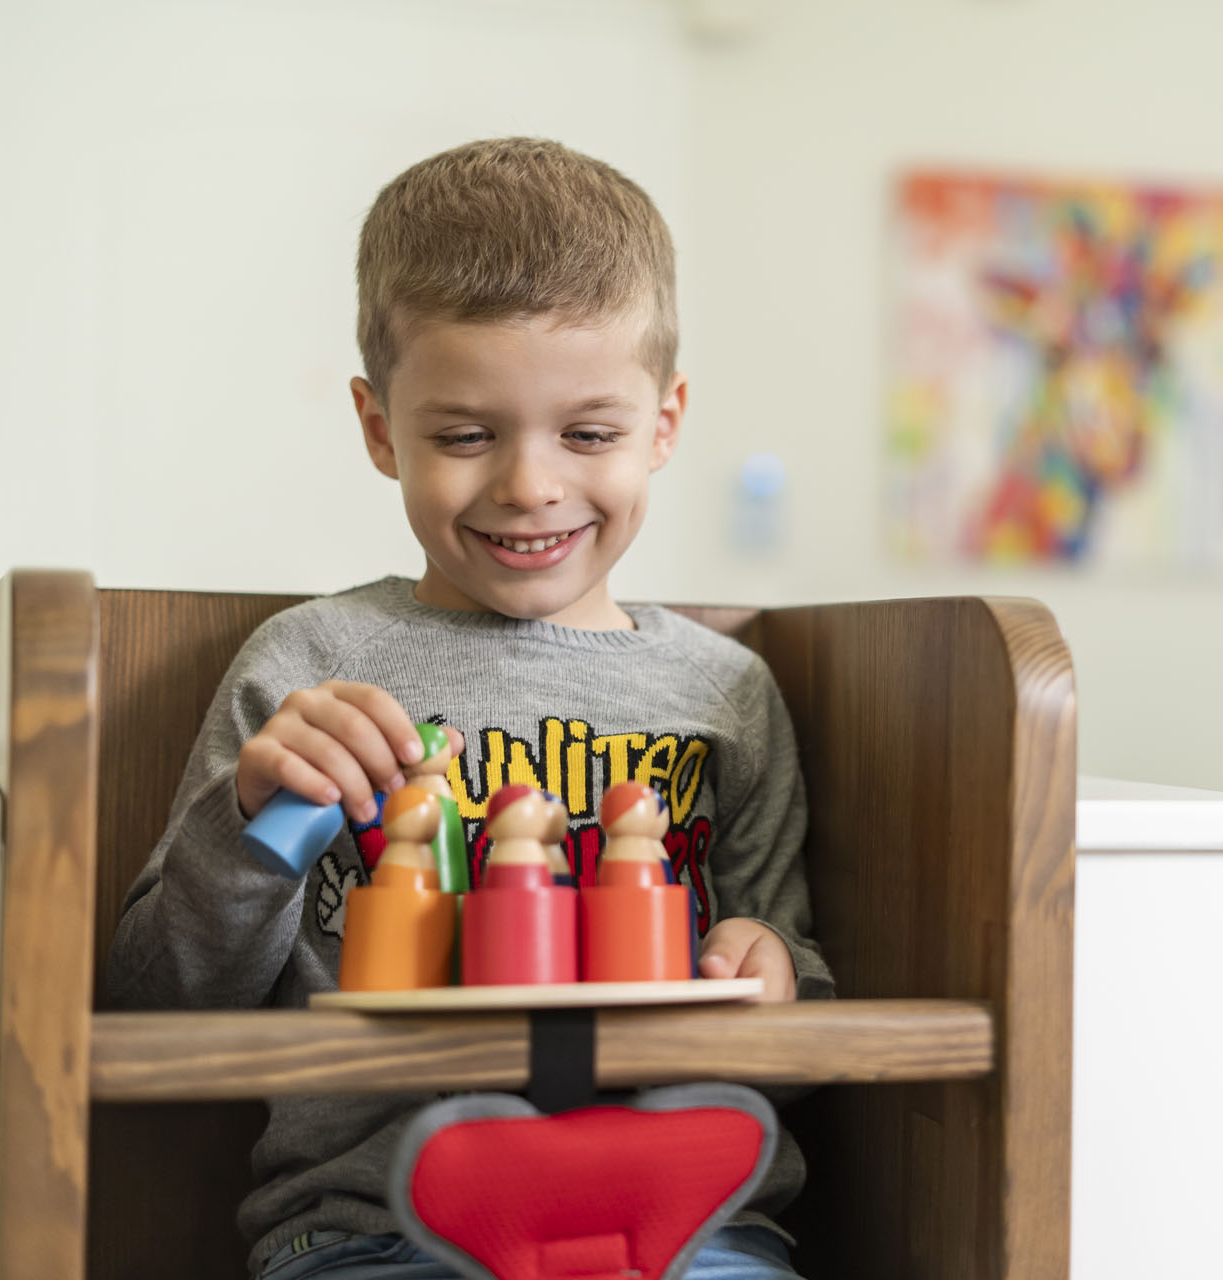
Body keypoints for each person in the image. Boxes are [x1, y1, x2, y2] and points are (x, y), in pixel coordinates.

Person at [105, 137, 833, 1280]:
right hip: (377, 1229)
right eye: (464, 434)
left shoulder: (726, 690)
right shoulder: (312, 665)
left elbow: (798, 1004)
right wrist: (249, 813)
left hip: (691, 1231)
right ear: (381, 426)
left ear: (665, 423)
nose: (530, 484)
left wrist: (770, 967)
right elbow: (157, 999)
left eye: (589, 433)